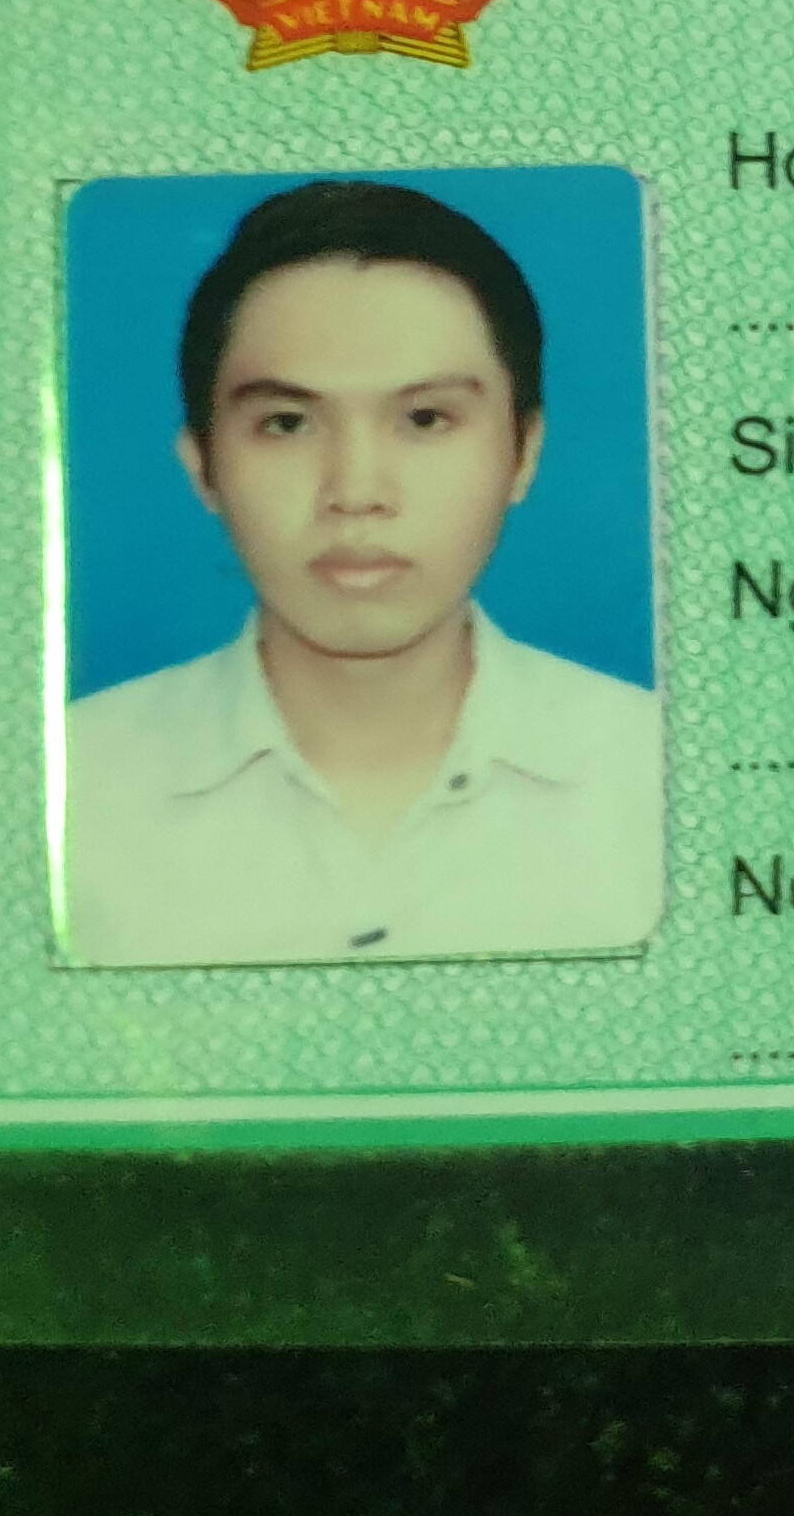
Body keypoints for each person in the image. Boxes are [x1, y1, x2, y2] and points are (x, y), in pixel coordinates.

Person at [62, 180, 663, 966]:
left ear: (525, 453)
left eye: (426, 419)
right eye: (287, 423)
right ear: (202, 464)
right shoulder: (63, 790)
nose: (355, 492)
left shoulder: (662, 778)